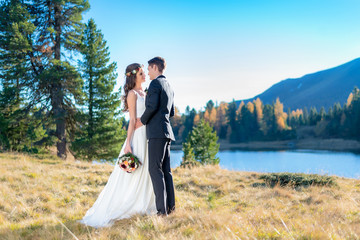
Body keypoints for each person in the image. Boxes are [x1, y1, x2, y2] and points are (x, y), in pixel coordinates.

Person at [80, 63, 156, 228]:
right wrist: (128, 143)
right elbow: (132, 121)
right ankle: (130, 206)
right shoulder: (132, 94)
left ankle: (146, 203)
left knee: (148, 171)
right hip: (138, 137)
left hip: (149, 136)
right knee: (135, 173)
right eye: (142, 73)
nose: (145, 75)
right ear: (134, 75)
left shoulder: (145, 92)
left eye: (144, 72)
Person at [136, 56, 176, 215]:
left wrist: (142, 121)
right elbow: (171, 112)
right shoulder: (168, 85)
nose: (147, 72)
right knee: (166, 171)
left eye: (148, 69)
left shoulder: (155, 84)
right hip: (166, 131)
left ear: (154, 67)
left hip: (156, 133)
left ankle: (161, 211)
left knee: (155, 169)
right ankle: (171, 208)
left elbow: (151, 107)